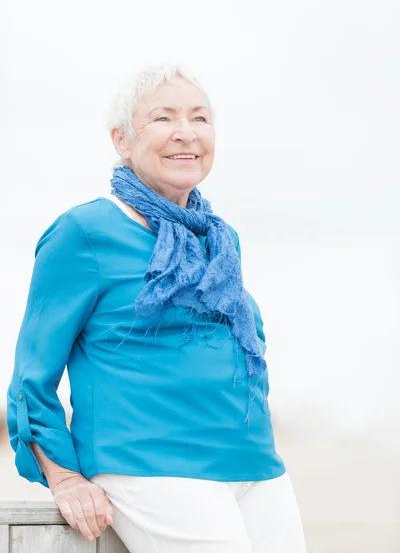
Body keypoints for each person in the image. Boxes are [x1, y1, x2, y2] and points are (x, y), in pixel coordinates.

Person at [6, 64, 307, 552]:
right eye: (163, 119)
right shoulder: (83, 233)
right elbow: (31, 375)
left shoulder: (219, 240)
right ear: (122, 139)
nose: (185, 134)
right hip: (147, 460)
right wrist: (64, 478)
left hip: (252, 462)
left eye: (200, 118)